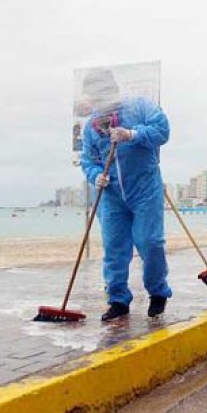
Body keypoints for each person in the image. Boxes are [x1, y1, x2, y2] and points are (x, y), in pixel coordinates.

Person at [80, 68, 172, 321]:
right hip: (111, 195)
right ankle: (118, 299)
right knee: (114, 247)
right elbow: (88, 160)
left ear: (111, 89)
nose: (97, 101)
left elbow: (162, 131)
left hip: (144, 188)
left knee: (149, 242)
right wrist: (95, 175)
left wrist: (132, 134)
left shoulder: (140, 106)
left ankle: (158, 292)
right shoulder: (91, 126)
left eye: (100, 95)